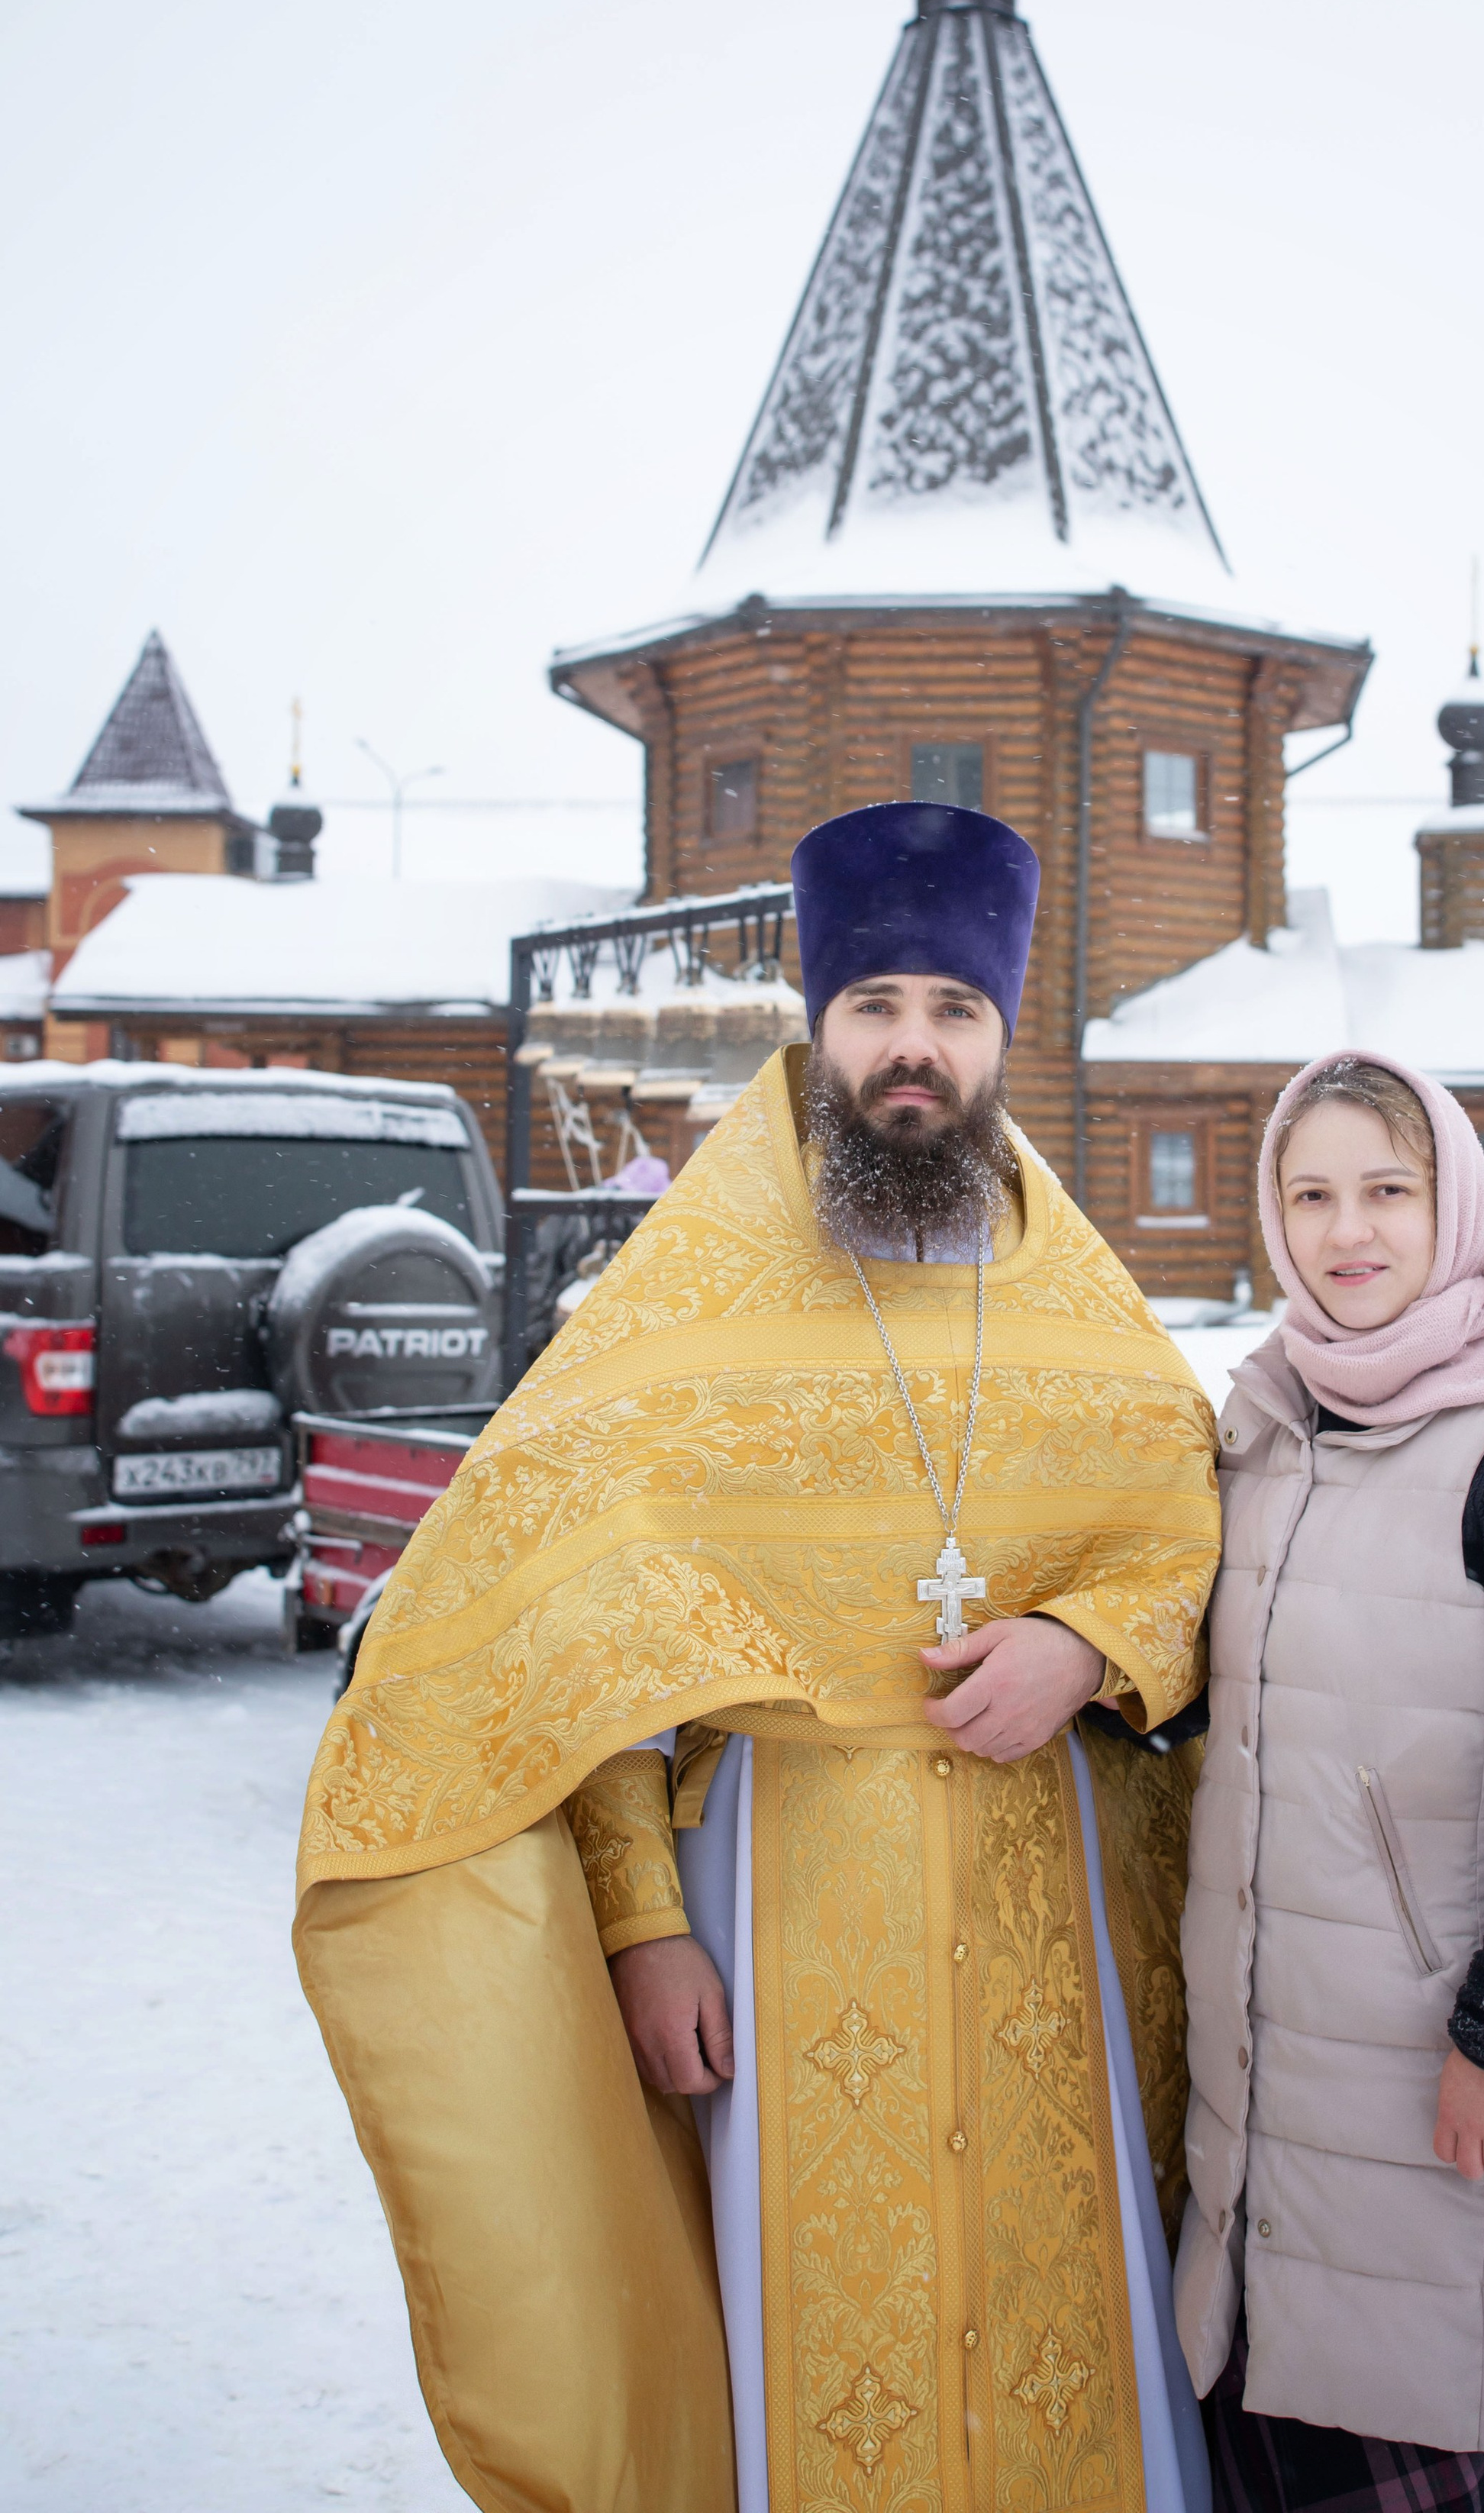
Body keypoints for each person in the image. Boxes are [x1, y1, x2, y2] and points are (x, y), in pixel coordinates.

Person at [295, 800, 1219, 2513]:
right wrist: (645, 1929)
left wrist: (1086, 1650)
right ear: (816, 1019)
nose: (913, 1053)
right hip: (771, 1923)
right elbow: (576, 1640)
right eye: (876, 1008)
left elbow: (1185, 1543)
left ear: (1001, 1033)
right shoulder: (680, 1306)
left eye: (953, 1011)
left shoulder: (1084, 1310)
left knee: (1061, 2339)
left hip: (1043, 1939)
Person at [1178, 1053, 1484, 2513]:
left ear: (1453, 1201)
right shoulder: (1270, 1424)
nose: (1351, 1233)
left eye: (1389, 1191)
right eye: (1312, 1193)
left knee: (1456, 2427)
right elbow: (1236, 1705)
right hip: (1277, 2096)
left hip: (1449, 2088)